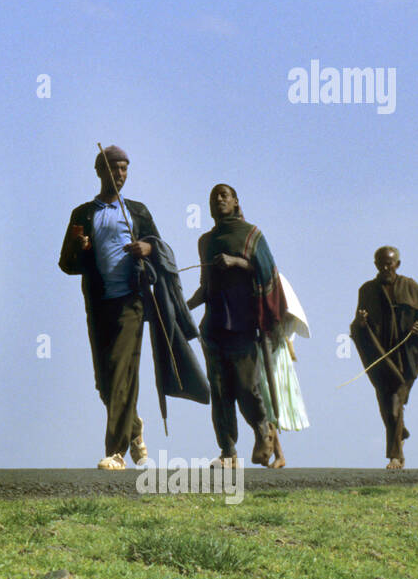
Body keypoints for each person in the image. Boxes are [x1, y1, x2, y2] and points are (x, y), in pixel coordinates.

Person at [59, 146, 207, 470]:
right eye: (115, 168)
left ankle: (116, 451)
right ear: (100, 171)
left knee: (122, 368)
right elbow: (66, 265)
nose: (121, 174)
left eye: (125, 168)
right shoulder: (83, 213)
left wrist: (147, 246)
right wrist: (79, 248)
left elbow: (162, 249)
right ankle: (136, 427)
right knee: (105, 380)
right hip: (98, 304)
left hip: (132, 302)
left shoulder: (137, 212)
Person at [186, 184, 285, 467]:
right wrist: (182, 308)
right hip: (214, 326)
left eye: (224, 195)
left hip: (243, 323)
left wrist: (238, 262)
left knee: (246, 387)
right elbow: (204, 287)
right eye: (213, 197)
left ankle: (263, 429)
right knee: (219, 391)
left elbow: (268, 272)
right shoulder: (205, 241)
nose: (218, 200)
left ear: (236, 202)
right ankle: (228, 452)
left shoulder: (251, 234)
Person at [350, 247, 418, 470]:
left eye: (390, 263)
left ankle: (395, 456)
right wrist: (362, 323)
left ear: (398, 264)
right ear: (375, 264)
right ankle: (399, 432)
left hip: (406, 357)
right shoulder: (367, 291)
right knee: (386, 405)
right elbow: (357, 326)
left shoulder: (412, 288)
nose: (385, 267)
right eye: (381, 263)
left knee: (395, 404)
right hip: (381, 357)